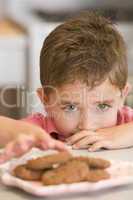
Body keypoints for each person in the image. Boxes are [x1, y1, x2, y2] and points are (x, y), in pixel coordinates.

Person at [1, 11, 133, 163]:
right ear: (45, 99)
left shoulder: (125, 121)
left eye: (103, 106)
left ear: (123, 95)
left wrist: (124, 134)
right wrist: (21, 132)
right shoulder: (40, 130)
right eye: (70, 107)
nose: (87, 126)